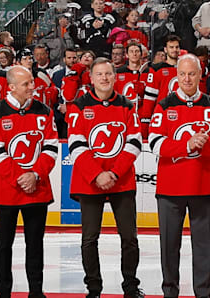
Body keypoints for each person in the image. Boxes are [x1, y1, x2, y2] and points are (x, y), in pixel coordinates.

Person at [149, 53, 210, 298]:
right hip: (169, 188)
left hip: (203, 186)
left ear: (199, 75)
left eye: (191, 73)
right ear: (176, 75)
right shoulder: (164, 105)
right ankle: (169, 292)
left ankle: (203, 293)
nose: (187, 78)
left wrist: (202, 145)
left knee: (205, 247)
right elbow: (154, 143)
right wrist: (187, 145)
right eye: (182, 73)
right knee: (169, 246)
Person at [65, 57, 144, 298]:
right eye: (99, 74)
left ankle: (130, 286)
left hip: (121, 180)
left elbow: (134, 142)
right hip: (90, 181)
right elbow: (75, 144)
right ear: (91, 78)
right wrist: (97, 174)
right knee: (90, 238)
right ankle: (93, 288)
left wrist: (115, 172)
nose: (104, 78)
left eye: (108, 73)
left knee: (129, 237)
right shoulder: (78, 105)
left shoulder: (128, 105)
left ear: (114, 76)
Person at [0, 65, 59, 298]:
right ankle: (4, 293)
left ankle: (36, 291)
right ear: (12, 87)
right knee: (3, 244)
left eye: (32, 83)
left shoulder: (44, 111)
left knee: (35, 244)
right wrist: (21, 177)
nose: (32, 87)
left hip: (37, 189)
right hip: (7, 190)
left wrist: (35, 175)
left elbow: (51, 147)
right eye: (26, 84)